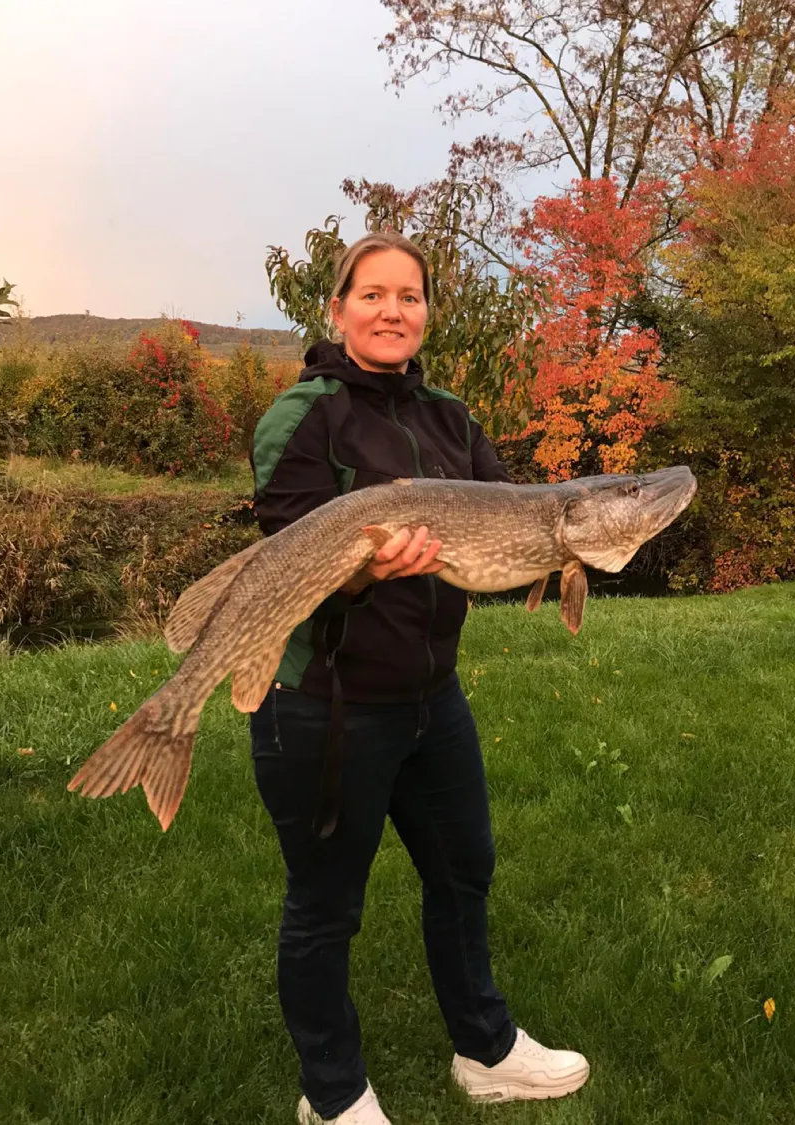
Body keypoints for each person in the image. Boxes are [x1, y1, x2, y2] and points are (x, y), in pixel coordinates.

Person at [248, 231, 589, 1124]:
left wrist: (568, 544)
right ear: (338, 309)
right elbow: (286, 555)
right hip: (325, 705)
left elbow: (516, 517)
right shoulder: (303, 417)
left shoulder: (451, 417)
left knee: (464, 870)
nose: (392, 311)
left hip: (431, 697)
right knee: (326, 904)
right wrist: (364, 571)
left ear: (427, 311)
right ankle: (332, 1093)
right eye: (372, 294)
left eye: (409, 295)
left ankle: (486, 1048)